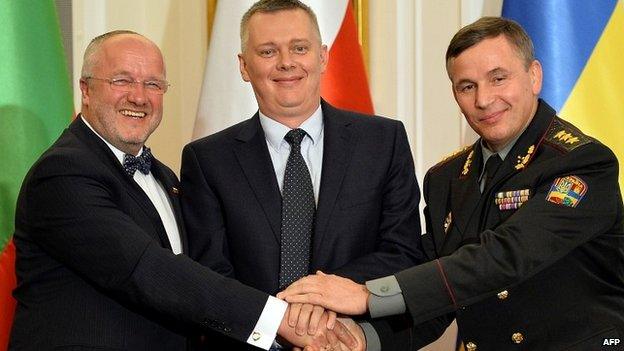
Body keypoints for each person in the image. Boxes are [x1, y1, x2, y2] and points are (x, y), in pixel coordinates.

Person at [279, 16, 624, 350]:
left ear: (534, 76)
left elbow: (506, 255)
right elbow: (439, 296)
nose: (484, 100)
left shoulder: (583, 163)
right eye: (467, 86)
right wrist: (363, 339)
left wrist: (369, 295)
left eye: (498, 78)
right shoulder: (446, 179)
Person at [9, 30, 358, 351]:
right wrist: (280, 320)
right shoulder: (62, 173)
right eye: (122, 80)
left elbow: (204, 273)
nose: (139, 96)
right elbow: (146, 269)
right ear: (85, 89)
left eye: (153, 84)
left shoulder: (166, 178)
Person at [180, 0, 437, 349]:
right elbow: (210, 274)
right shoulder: (207, 159)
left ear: (323, 56)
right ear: (243, 66)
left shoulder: (383, 141)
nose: (286, 62)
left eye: (299, 48)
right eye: (268, 51)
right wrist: (278, 321)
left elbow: (402, 250)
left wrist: (318, 298)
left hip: (348, 341)